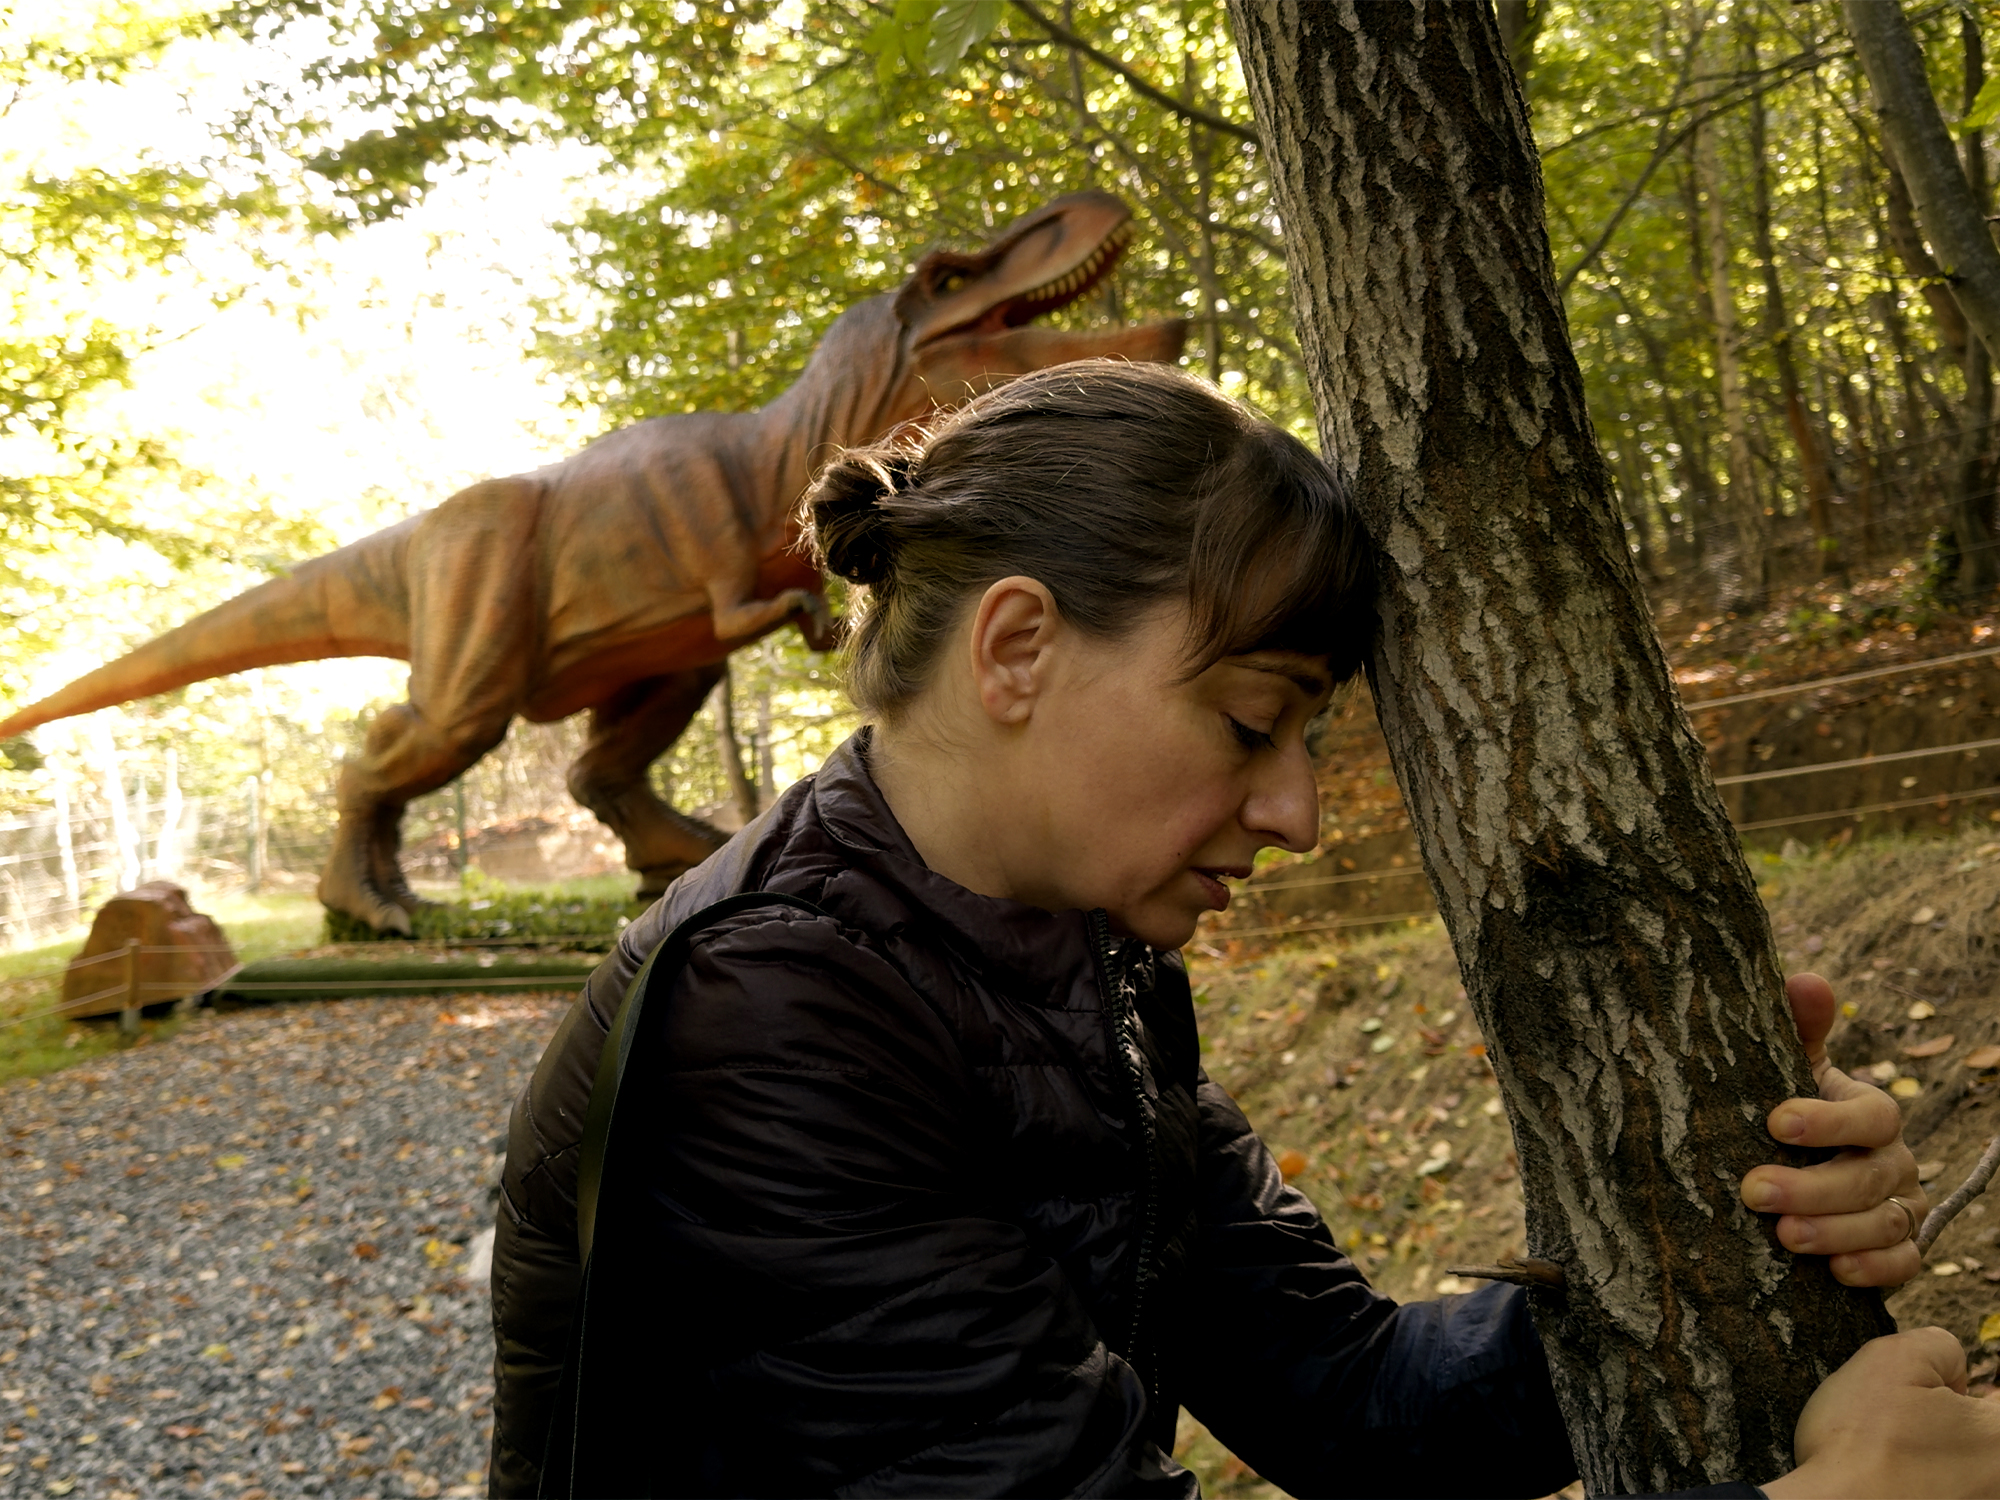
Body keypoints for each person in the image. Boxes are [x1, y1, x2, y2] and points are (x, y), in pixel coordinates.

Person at [488, 361, 1992, 1498]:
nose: (1298, 815)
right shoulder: (773, 1015)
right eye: (1252, 721)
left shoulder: (1084, 953)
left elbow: (1350, 1396)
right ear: (1017, 649)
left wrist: (1721, 1243)